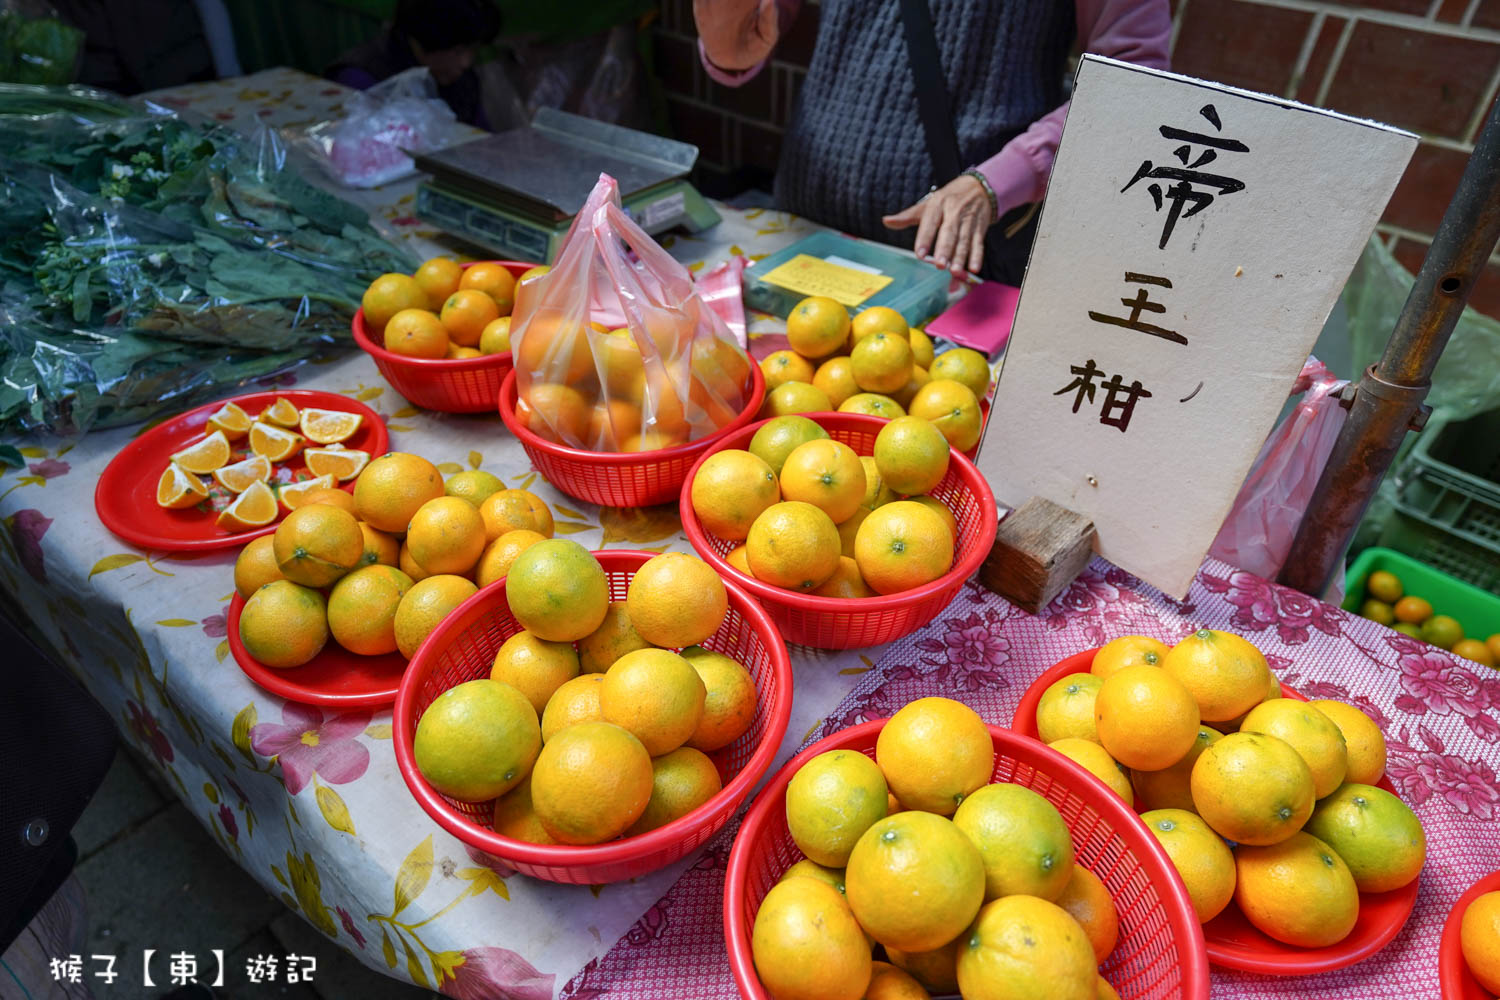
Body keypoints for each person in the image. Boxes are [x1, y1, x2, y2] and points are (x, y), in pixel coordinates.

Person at [693, 0, 1171, 284]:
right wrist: (730, 37)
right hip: (807, 221)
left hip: (964, 253)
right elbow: (746, 33)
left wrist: (1000, 180)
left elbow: (1133, 83)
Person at [328, 0, 502, 128]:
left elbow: (481, 140)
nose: (466, 63)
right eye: (458, 51)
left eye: (473, 50)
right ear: (431, 36)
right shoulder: (361, 79)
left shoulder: (464, 82)